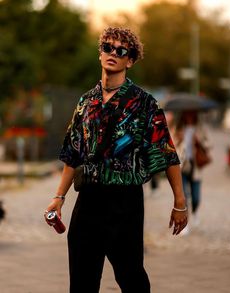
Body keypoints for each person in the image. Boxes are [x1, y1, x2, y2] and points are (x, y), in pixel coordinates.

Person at [44, 27, 188, 293]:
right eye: (107, 48)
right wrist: (59, 197)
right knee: (81, 282)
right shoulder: (85, 103)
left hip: (125, 202)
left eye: (121, 51)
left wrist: (179, 201)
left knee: (132, 279)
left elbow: (167, 153)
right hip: (87, 200)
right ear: (100, 54)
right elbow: (72, 153)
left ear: (130, 60)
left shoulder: (145, 104)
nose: (113, 53)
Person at [174, 110, 210, 232]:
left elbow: (209, 144)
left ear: (195, 115)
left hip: (196, 167)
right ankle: (186, 224)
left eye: (191, 113)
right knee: (184, 196)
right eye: (186, 113)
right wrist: (179, 139)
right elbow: (171, 145)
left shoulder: (200, 128)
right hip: (181, 165)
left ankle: (195, 212)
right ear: (183, 115)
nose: (189, 115)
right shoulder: (178, 128)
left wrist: (199, 141)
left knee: (196, 197)